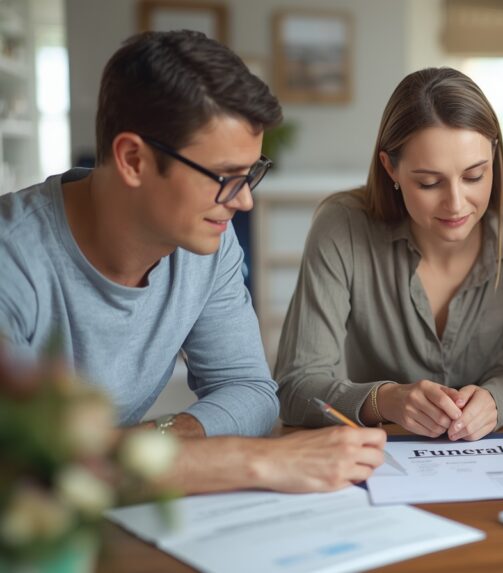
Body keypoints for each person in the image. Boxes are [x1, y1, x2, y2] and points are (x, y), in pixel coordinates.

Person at [0, 31, 384, 494]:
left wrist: (154, 442)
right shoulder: (12, 260)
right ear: (133, 160)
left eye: (251, 175)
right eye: (224, 177)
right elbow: (25, 464)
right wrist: (254, 462)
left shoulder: (207, 246)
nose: (243, 202)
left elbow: (253, 394)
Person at [274, 67, 503, 441]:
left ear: (494, 156)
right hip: (381, 464)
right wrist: (385, 400)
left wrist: (494, 400)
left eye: (474, 176)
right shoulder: (342, 226)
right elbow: (296, 388)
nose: (456, 204)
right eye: (429, 182)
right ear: (390, 167)